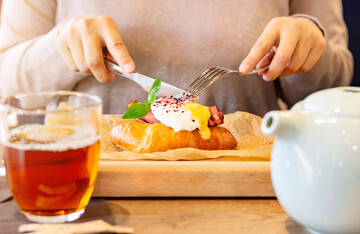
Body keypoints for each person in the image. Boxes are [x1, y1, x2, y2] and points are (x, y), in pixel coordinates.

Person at [0, 0, 353, 116]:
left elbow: (337, 89)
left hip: (250, 191)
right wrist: (59, 48)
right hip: (86, 189)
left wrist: (308, 50)